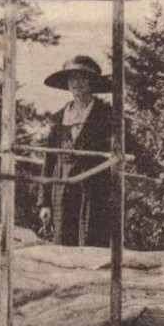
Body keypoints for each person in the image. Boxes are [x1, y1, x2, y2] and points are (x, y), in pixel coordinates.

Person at [37, 54, 121, 248]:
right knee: (63, 246)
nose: (77, 83)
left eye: (83, 78)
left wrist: (157, 171)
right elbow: (49, 161)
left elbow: (130, 145)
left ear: (92, 83)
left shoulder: (106, 115)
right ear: (67, 84)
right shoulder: (58, 118)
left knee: (92, 243)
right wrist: (44, 202)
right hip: (62, 190)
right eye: (72, 78)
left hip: (94, 190)